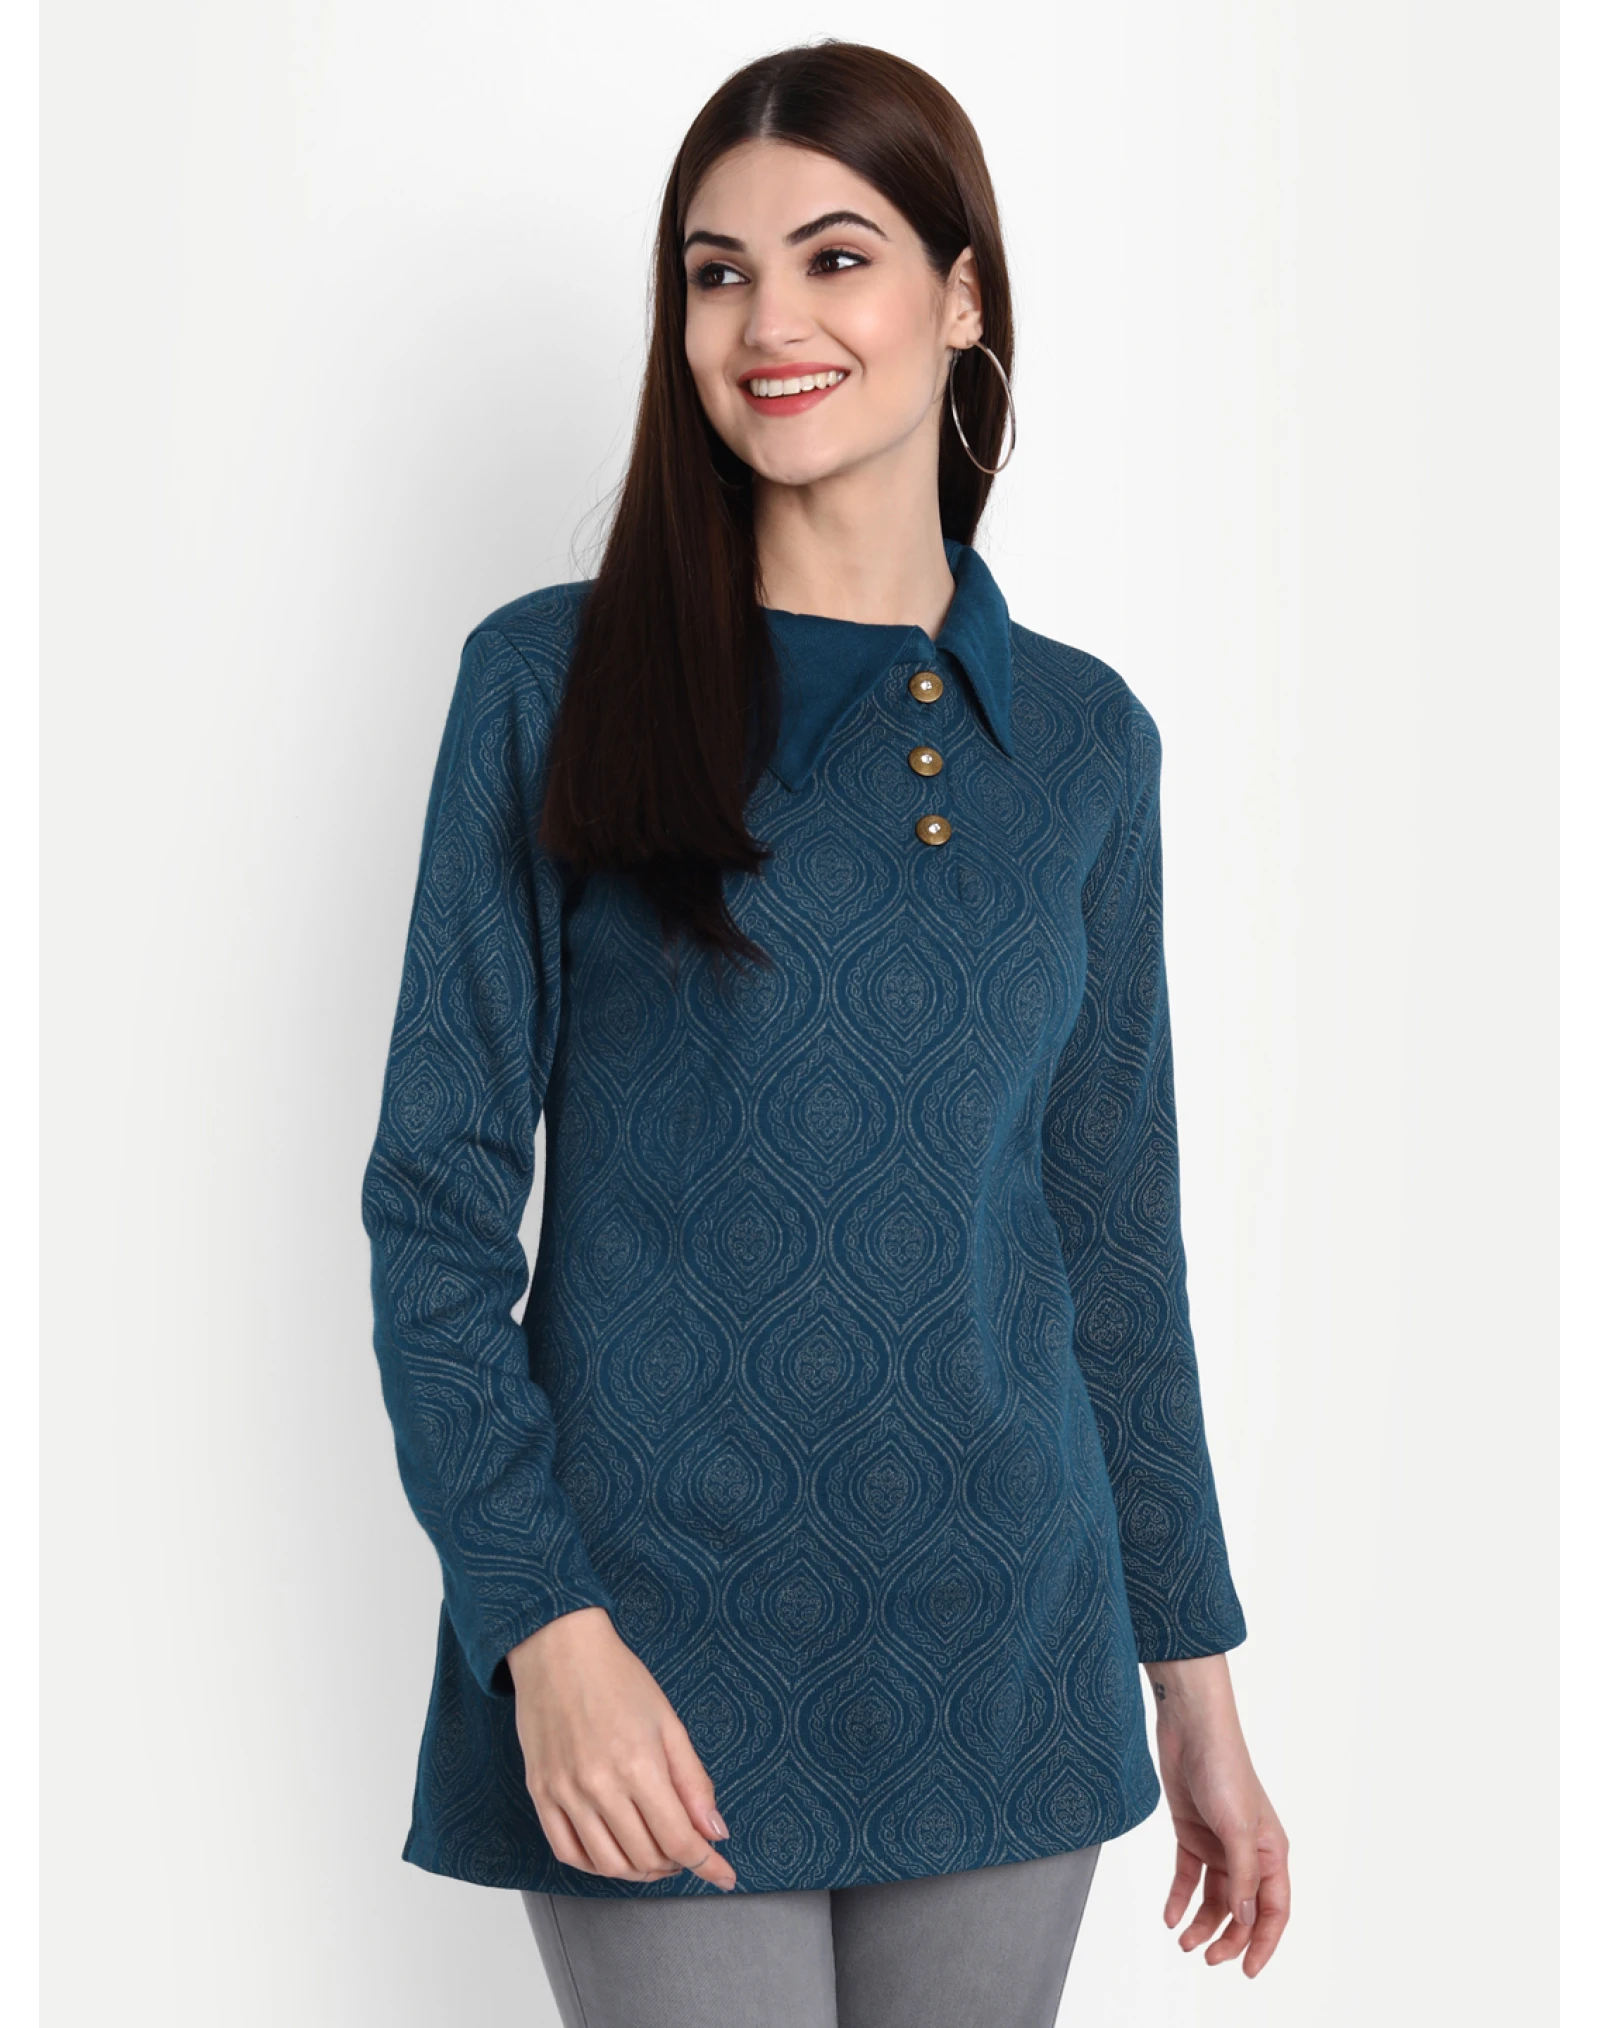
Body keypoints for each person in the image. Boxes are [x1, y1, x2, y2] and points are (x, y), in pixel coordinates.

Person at [360, 37, 1290, 2027]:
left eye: (834, 257)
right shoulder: (547, 684)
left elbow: (1111, 1245)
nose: (766, 320)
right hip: (647, 1646)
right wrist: (541, 1629)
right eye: (716, 273)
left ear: (960, 299)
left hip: (1008, 1642)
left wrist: (1193, 1681)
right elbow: (433, 1212)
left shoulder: (1087, 744)